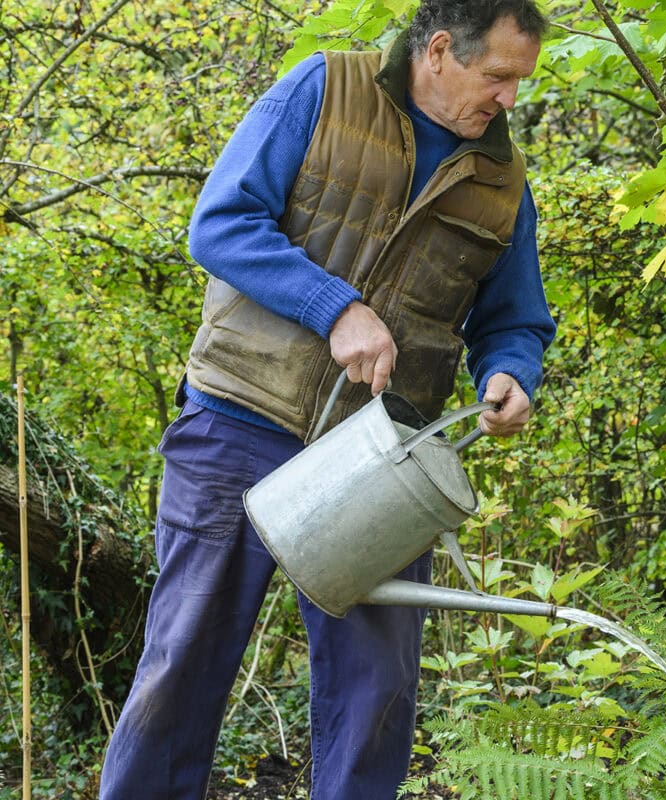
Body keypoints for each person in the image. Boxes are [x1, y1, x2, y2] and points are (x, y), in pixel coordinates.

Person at [98, 1, 554, 797]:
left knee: (375, 692)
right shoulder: (322, 89)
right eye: (498, 75)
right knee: (182, 665)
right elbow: (220, 224)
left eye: (520, 80)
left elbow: (514, 318)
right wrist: (335, 309)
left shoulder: (503, 179)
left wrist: (510, 371)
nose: (510, 98)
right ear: (439, 51)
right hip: (238, 420)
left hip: (384, 462)